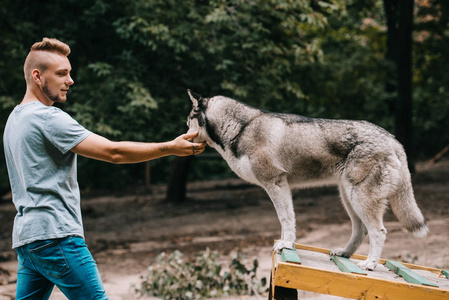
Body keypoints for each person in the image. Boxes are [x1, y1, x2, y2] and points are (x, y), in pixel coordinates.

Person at [3, 37, 206, 299]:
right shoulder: (48, 118)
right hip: (57, 236)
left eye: (70, 73)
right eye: (62, 73)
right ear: (37, 76)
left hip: (28, 239)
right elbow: (113, 152)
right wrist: (169, 147)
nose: (70, 80)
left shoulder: (15, 118)